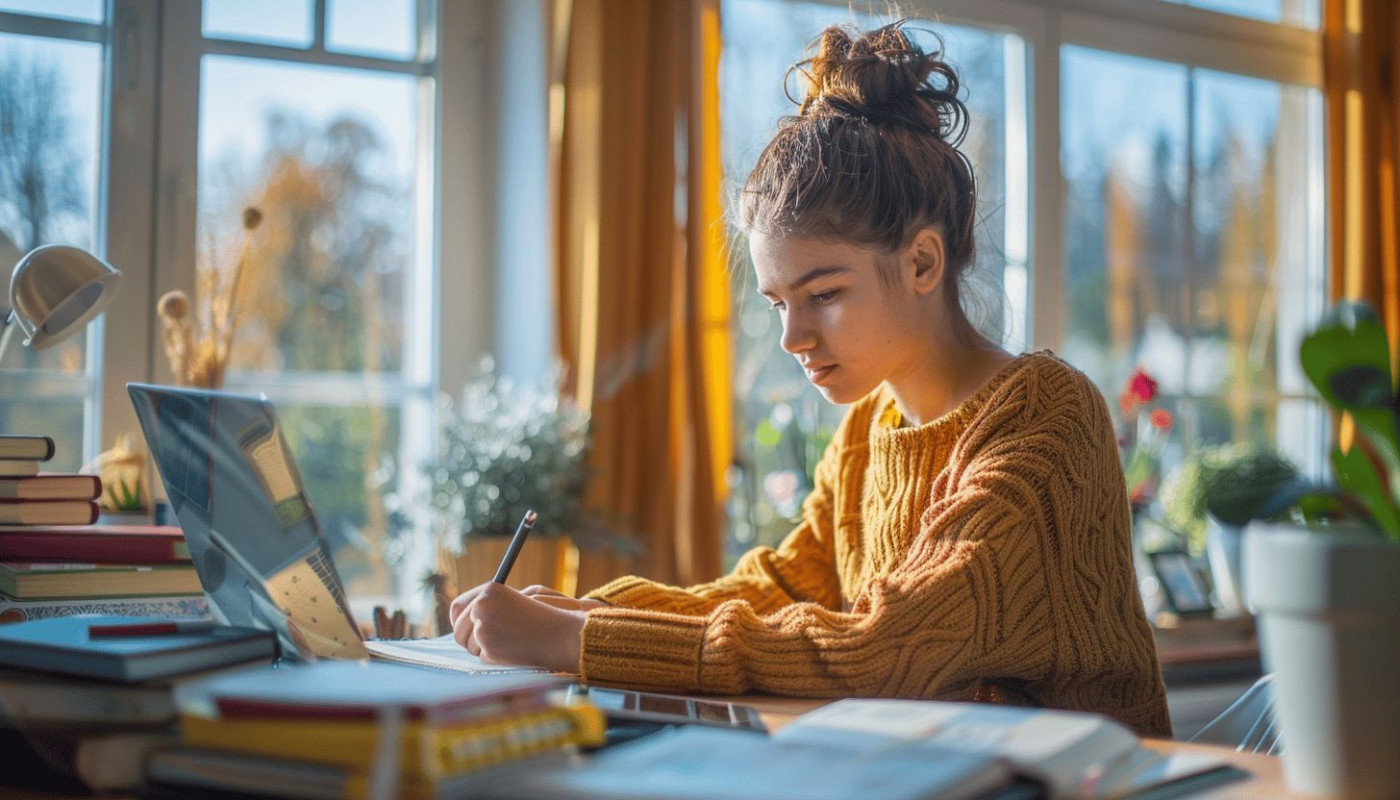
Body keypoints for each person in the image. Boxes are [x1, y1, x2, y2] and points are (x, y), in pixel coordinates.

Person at [449, 19, 1171, 737]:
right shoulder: (868, 428)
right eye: (778, 303)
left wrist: (575, 643)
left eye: (823, 295)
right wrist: (593, 613)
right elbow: (780, 591)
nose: (793, 338)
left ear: (923, 263)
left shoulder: (1043, 416)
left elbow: (890, 647)